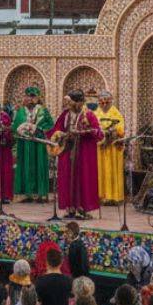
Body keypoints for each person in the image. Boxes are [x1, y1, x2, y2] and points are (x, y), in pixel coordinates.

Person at [48, 91, 103, 219]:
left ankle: (82, 208)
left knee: (83, 178)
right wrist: (59, 135)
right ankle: (69, 208)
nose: (68, 103)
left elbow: (99, 133)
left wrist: (85, 131)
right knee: (67, 178)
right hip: (67, 151)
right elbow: (56, 129)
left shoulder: (88, 115)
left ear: (79, 102)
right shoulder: (65, 115)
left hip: (83, 153)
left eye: (71, 101)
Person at [12, 88, 53, 203]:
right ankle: (26, 193)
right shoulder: (21, 111)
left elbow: (50, 124)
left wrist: (38, 129)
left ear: (38, 98)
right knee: (25, 165)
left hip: (38, 143)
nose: (30, 99)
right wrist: (21, 130)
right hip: (25, 144)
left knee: (39, 165)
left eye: (33, 96)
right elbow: (15, 126)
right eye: (28, 96)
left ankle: (40, 193)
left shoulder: (43, 110)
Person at [94, 91, 126, 205]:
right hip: (100, 147)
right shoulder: (95, 113)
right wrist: (100, 134)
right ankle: (101, 196)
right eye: (101, 102)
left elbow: (120, 128)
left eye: (106, 101)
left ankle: (114, 197)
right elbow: (92, 126)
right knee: (100, 170)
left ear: (110, 101)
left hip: (112, 146)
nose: (104, 104)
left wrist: (112, 131)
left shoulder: (116, 113)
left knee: (113, 170)